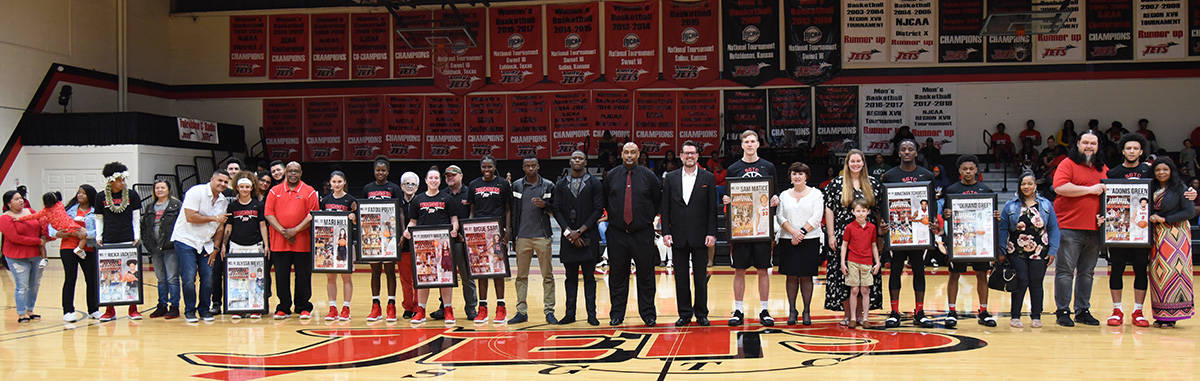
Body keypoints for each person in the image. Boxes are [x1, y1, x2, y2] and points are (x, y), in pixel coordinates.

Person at [722, 130, 779, 326]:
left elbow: (775, 194)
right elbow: (728, 197)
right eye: (746, 141)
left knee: (763, 269)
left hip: (762, 227)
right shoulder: (733, 169)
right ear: (742, 144)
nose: (749, 144)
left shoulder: (768, 166)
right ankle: (738, 309)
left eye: (753, 141)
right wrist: (727, 200)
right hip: (741, 228)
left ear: (758, 144)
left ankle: (764, 309)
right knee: (739, 270)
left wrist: (775, 200)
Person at [1051, 130, 1108, 327]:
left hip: (1094, 229)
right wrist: (1090, 190)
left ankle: (1082, 310)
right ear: (1078, 144)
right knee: (1065, 271)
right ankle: (1063, 310)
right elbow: (1059, 187)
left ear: (1098, 146)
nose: (1089, 146)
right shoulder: (1068, 163)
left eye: (1093, 143)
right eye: (1086, 142)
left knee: (1087, 272)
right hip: (1068, 227)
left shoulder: (1103, 168)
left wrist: (1105, 216)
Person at [603, 142, 663, 327]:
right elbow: (605, 199)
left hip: (642, 233)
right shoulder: (611, 175)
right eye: (626, 152)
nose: (629, 155)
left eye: (633, 152)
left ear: (639, 155)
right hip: (617, 233)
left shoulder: (649, 176)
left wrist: (647, 218)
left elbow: (658, 200)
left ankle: (648, 314)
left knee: (646, 275)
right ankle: (617, 314)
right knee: (617, 276)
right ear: (621, 154)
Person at [823, 149, 884, 326]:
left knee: (864, 279)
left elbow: (879, 210)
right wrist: (831, 234)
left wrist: (880, 235)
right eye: (852, 161)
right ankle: (847, 315)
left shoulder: (872, 183)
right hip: (844, 238)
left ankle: (861, 315)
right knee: (845, 276)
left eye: (859, 161)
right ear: (847, 163)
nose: (855, 164)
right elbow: (829, 209)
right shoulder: (837, 183)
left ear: (863, 163)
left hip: (867, 238)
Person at [661, 142, 718, 327]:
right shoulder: (670, 177)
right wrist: (666, 232)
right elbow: (666, 207)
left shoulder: (708, 177)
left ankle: (701, 313)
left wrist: (712, 233)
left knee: (701, 278)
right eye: (686, 153)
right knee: (681, 278)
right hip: (677, 235)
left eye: (693, 153)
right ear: (681, 155)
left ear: (698, 156)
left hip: (701, 235)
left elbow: (712, 208)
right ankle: (685, 314)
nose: (689, 156)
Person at [880, 140, 937, 328]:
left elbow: (932, 204)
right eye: (903, 149)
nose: (906, 152)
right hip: (898, 233)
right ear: (898, 152)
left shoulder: (926, 175)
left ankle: (919, 312)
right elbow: (883, 204)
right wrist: (883, 222)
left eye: (910, 149)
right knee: (895, 270)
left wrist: (934, 222)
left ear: (916, 152)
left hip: (919, 232)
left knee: (919, 270)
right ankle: (894, 312)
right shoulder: (889, 176)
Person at [941, 154, 1000, 327]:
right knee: (954, 275)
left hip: (980, 241)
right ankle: (951, 311)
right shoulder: (951, 190)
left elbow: (991, 217)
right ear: (959, 171)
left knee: (982, 275)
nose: (968, 172)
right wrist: (947, 215)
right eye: (964, 169)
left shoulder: (986, 190)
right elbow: (946, 215)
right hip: (959, 240)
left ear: (976, 170)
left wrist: (995, 216)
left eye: (971, 169)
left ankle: (983, 311)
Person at [999, 172, 1060, 328]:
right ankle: (1015, 316)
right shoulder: (1010, 205)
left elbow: (1053, 228)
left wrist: (1053, 250)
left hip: (1040, 249)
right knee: (1021, 280)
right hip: (1016, 249)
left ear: (1035, 186)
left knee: (1036, 282)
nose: (1026, 187)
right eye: (1023, 184)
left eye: (1029, 184)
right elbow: (1003, 228)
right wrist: (1001, 249)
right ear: (1019, 186)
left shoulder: (1045, 204)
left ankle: (1036, 316)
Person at [553, 151, 605, 326]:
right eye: (574, 158)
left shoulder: (595, 183)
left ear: (585, 161)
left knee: (590, 278)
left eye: (580, 158)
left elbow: (598, 210)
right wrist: (569, 233)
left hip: (588, 236)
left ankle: (592, 314)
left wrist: (580, 232)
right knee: (570, 278)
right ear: (570, 161)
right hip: (569, 239)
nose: (577, 160)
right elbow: (556, 210)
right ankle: (570, 314)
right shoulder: (560, 184)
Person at [404, 168, 462, 324]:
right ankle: (421, 310)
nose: (434, 180)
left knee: (445, 277)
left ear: (440, 180)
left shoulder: (447, 199)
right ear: (426, 180)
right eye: (431, 178)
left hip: (443, 245)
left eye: (437, 178)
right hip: (424, 246)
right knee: (424, 277)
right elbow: (413, 222)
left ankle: (448, 309)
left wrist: (455, 229)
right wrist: (407, 230)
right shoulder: (418, 200)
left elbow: (454, 220)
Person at [173, 170, 232, 323]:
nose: (222, 184)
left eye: (226, 182)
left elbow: (220, 228)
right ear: (212, 179)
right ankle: (190, 310)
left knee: (208, 279)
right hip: (186, 240)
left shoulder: (223, 201)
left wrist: (216, 249)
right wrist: (214, 217)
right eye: (220, 180)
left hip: (206, 243)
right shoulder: (196, 191)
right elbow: (190, 216)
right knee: (188, 278)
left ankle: (204, 310)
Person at [264, 162, 319, 320]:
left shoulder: (309, 191)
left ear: (301, 173)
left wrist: (295, 230)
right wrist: (283, 231)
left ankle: (303, 306)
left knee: (303, 276)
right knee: (281, 276)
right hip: (279, 242)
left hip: (302, 241)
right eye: (290, 171)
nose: (293, 174)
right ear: (285, 173)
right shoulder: (275, 191)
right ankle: (283, 307)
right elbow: (268, 213)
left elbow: (312, 215)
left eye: (296, 171)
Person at [508, 157, 557, 324]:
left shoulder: (548, 185)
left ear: (538, 166)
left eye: (533, 165)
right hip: (522, 237)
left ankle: (549, 311)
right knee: (521, 276)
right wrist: (512, 234)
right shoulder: (516, 185)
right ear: (523, 167)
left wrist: (545, 205)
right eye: (527, 166)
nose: (530, 168)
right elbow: (513, 211)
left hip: (542, 236)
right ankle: (521, 311)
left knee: (547, 276)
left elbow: (556, 208)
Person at [1147, 158, 1195, 327]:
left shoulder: (1180, 187)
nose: (1161, 172)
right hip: (1157, 235)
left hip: (1177, 235)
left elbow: (1189, 212)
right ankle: (1160, 315)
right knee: (1158, 274)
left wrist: (1164, 218)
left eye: (1165, 169)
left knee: (1175, 273)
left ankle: (1173, 315)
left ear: (1171, 171)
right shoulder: (1151, 187)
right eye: (1158, 170)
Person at [774, 162, 823, 326]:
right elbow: (780, 216)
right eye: (794, 173)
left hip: (810, 239)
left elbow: (817, 217)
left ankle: (807, 311)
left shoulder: (816, 194)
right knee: (791, 276)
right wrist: (793, 232)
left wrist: (801, 232)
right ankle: (792, 310)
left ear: (806, 176)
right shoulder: (784, 195)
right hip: (788, 239)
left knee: (806, 276)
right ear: (790, 176)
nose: (797, 176)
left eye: (800, 174)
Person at [95, 162, 143, 321]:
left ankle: (133, 308)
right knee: (109, 276)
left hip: (128, 239)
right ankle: (109, 310)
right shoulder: (101, 196)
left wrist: (137, 236)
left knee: (131, 275)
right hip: (109, 240)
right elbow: (99, 218)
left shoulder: (132, 195)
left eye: (124, 179)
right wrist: (99, 236)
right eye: (120, 180)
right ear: (111, 181)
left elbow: (136, 217)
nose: (123, 182)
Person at [429, 165, 478, 322]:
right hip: (446, 243)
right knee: (445, 276)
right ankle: (444, 308)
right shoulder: (442, 194)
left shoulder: (469, 191)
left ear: (461, 176)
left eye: (453, 175)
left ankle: (471, 308)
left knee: (467, 277)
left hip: (464, 242)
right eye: (447, 176)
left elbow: (473, 212)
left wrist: (468, 234)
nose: (450, 177)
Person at [468, 156, 512, 324]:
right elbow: (472, 210)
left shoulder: (502, 184)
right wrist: (468, 230)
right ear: (480, 168)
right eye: (484, 167)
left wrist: (507, 232)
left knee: (498, 270)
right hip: (478, 232)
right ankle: (483, 308)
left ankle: (501, 308)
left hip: (496, 232)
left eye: (490, 167)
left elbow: (508, 209)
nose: (487, 170)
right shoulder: (473, 185)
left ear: (495, 167)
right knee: (481, 271)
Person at [221, 172, 269, 319]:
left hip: (255, 246)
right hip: (236, 245)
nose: (244, 189)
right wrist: (224, 245)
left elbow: (262, 226)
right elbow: (228, 227)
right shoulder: (232, 206)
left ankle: (256, 307)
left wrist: (266, 245)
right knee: (237, 278)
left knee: (255, 278)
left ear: (251, 188)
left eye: (247, 187)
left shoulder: (258, 205)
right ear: (237, 188)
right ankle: (238, 307)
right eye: (241, 187)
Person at [362, 158, 404, 322]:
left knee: (390, 271)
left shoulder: (393, 188)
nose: (380, 173)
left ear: (388, 171)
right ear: (374, 171)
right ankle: (375, 305)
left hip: (389, 235)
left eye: (383, 170)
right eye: (378, 170)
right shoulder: (367, 189)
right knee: (375, 271)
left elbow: (400, 211)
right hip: (372, 236)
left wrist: (400, 232)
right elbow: (362, 213)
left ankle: (391, 305)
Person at [54, 185, 100, 322]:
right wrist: (59, 233)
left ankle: (94, 309)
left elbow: (101, 230)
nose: (80, 195)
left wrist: (87, 234)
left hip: (89, 248)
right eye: (79, 193)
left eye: (84, 193)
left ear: (90, 196)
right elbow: (53, 226)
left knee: (91, 280)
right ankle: (68, 310)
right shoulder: (68, 210)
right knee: (70, 278)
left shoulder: (96, 211)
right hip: (68, 247)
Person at [1, 190, 48, 323]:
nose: (21, 201)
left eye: (21, 198)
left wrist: (45, 236)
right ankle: (21, 313)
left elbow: (42, 224)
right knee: (22, 285)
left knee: (34, 284)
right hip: (16, 256)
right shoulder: (5, 218)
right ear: (9, 203)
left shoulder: (31, 212)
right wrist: (38, 241)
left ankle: (30, 310)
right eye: (16, 199)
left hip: (36, 255)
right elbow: (14, 238)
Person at [140, 180, 181, 319]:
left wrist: (174, 242)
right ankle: (161, 305)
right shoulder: (150, 207)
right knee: (160, 278)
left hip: (170, 247)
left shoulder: (176, 205)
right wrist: (148, 244)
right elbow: (144, 227)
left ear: (169, 190)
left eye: (163, 187)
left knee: (172, 278)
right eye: (157, 188)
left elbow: (181, 225)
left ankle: (174, 306)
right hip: (155, 248)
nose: (159, 190)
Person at [320, 171, 356, 321]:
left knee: (346, 277)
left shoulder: (351, 200)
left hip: (345, 244)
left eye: (339, 181)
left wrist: (354, 218)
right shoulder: (325, 200)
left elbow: (357, 222)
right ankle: (332, 308)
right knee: (330, 278)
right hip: (329, 245)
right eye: (334, 182)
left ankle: (346, 308)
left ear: (344, 182)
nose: (336, 184)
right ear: (330, 183)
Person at [842, 199, 880, 328]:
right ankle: (852, 317)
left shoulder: (872, 227)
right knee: (854, 289)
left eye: (863, 211)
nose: (861, 214)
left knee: (865, 290)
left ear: (868, 212)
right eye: (858, 211)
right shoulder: (849, 227)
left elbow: (874, 245)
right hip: (853, 261)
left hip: (867, 261)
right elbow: (844, 245)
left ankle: (865, 318)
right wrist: (843, 262)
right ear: (853, 212)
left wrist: (878, 262)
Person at [396, 171, 421, 319]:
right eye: (407, 183)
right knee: (405, 279)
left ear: (417, 187)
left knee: (418, 278)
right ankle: (408, 306)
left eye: (412, 184)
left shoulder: (421, 201)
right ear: (401, 186)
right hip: (403, 246)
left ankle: (418, 306)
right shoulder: (397, 203)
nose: (409, 186)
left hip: (418, 246)